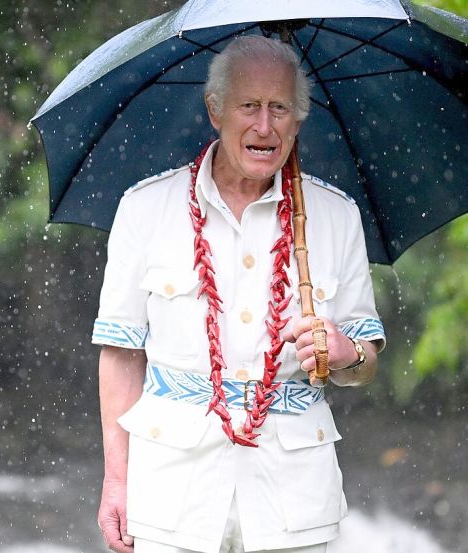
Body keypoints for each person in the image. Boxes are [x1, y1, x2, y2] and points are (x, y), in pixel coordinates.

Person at [92, 35, 386, 553]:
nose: (265, 127)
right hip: (171, 495)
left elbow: (364, 365)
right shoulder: (145, 208)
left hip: (294, 500)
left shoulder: (336, 216)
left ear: (299, 119)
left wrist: (346, 353)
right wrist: (117, 480)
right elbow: (120, 353)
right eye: (249, 106)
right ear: (215, 110)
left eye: (280, 108)